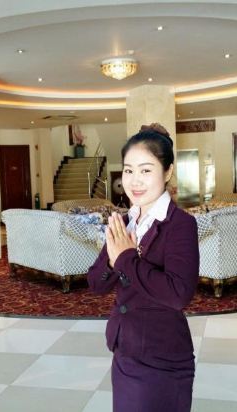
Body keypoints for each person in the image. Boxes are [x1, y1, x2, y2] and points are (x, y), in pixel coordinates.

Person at [87, 123, 200, 411]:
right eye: (128, 170)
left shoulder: (180, 224)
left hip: (162, 357)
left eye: (146, 170)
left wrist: (125, 258)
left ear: (168, 172)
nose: (134, 181)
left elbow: (178, 294)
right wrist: (112, 259)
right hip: (125, 350)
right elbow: (96, 284)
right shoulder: (125, 222)